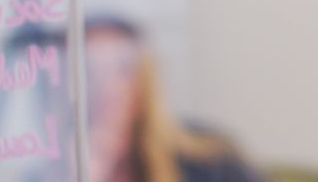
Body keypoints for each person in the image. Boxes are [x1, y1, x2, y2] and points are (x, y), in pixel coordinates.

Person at [86, 16, 264, 182]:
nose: (105, 84)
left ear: (145, 79)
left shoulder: (210, 157)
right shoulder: (65, 163)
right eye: (89, 69)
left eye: (121, 68)